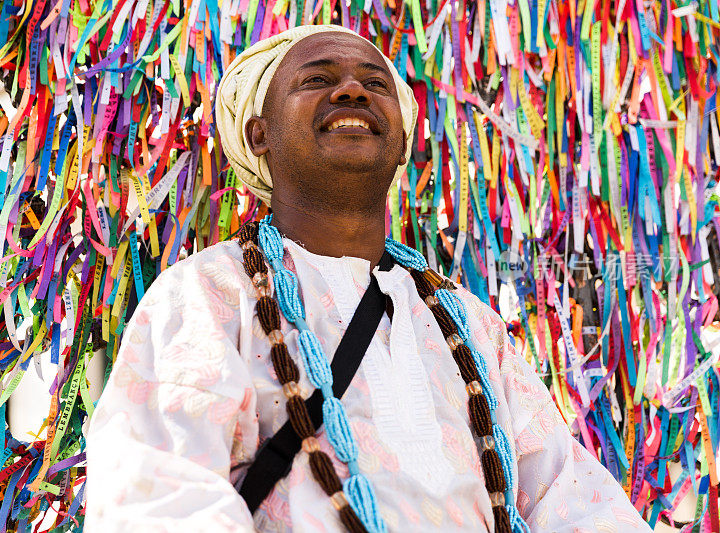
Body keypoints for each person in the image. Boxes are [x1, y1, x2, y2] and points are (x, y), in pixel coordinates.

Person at [85, 25, 652, 533]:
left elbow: (574, 500)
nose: (352, 91)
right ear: (260, 136)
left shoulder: (471, 326)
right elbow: (162, 497)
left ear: (402, 140)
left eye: (375, 84)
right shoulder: (207, 293)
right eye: (318, 78)